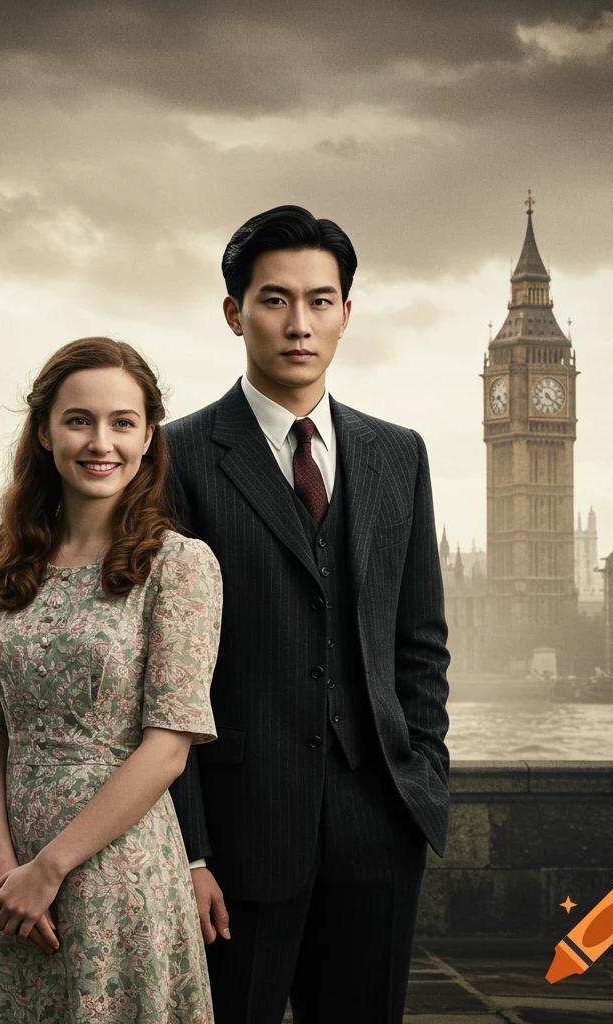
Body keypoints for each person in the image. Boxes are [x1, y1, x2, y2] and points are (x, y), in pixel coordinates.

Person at [166, 206, 451, 1023]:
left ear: (347, 314)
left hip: (379, 828)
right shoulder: (178, 457)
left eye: (321, 301)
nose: (301, 324)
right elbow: (166, 675)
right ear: (235, 313)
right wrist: (190, 849)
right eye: (276, 300)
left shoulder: (401, 453)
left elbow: (420, 642)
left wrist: (422, 776)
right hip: (240, 833)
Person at [0, 337, 222, 1023]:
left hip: (117, 870)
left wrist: (50, 869)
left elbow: (168, 748)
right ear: (44, 432)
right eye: (79, 420)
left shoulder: (180, 566)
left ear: (148, 435)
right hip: (11, 886)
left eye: (122, 422)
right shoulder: (9, 562)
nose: (101, 442)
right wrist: (1, 871)